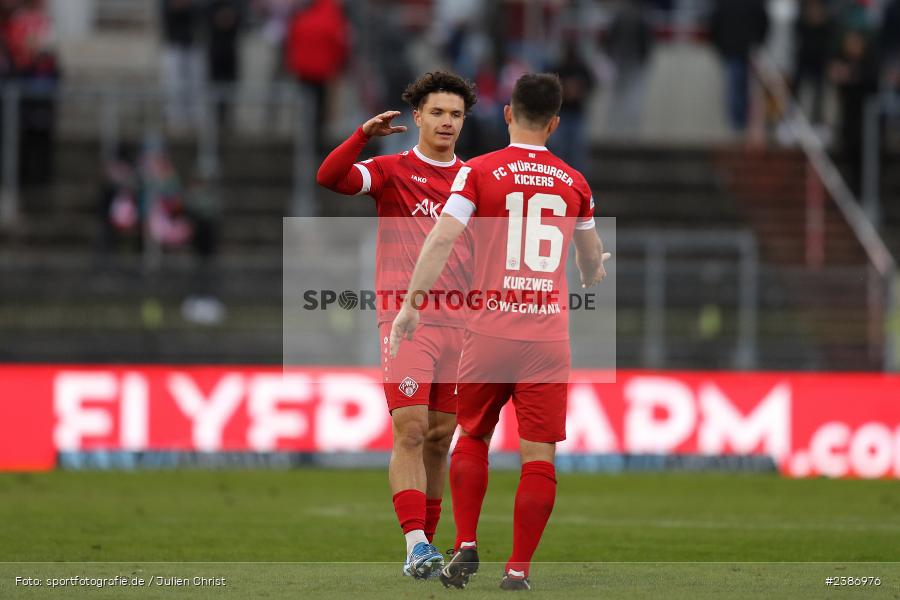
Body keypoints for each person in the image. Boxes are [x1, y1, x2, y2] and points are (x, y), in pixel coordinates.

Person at [390, 73, 609, 591]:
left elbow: (442, 238)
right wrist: (594, 270)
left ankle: (466, 543)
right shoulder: (575, 182)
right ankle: (518, 569)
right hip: (547, 339)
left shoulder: (479, 172)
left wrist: (411, 306)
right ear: (555, 123)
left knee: (472, 436)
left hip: (488, 331)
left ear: (508, 113)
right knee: (539, 456)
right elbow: (590, 258)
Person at [316, 71, 478, 580]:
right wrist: (361, 136)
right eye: (438, 112)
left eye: (455, 114)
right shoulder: (391, 170)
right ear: (418, 116)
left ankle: (426, 546)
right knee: (410, 429)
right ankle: (415, 544)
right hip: (407, 320)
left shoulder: (474, 179)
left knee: (440, 437)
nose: (447, 122)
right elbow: (330, 177)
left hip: (462, 325)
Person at [708, 0, 770, 131]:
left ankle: (741, 122)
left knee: (740, 86)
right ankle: (738, 123)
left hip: (743, 51)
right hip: (735, 50)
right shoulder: (726, 4)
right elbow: (714, 25)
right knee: (736, 86)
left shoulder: (749, 4)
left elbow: (763, 22)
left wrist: (758, 42)